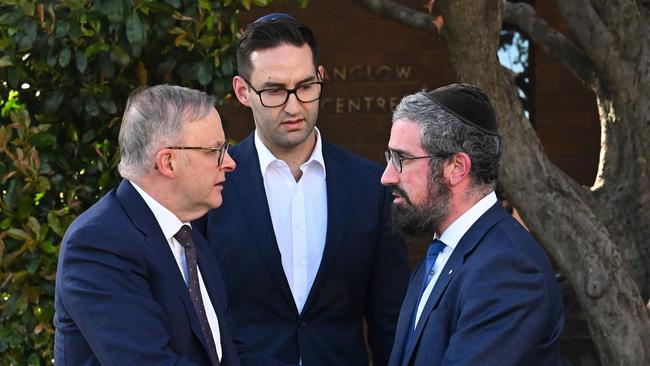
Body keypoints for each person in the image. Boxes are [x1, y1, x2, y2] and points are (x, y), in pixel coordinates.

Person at [194, 13, 409, 366]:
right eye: (275, 90)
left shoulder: (372, 188)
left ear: (321, 79)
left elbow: (390, 323)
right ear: (242, 92)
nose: (294, 106)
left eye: (306, 86)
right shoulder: (211, 184)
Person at [54, 85, 241, 365]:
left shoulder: (190, 238)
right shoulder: (97, 244)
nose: (230, 162)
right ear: (168, 162)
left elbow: (231, 351)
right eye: (215, 150)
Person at [382, 84, 564, 365]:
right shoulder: (439, 255)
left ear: (456, 167)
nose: (387, 176)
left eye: (402, 158)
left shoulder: (507, 267)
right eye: (390, 157)